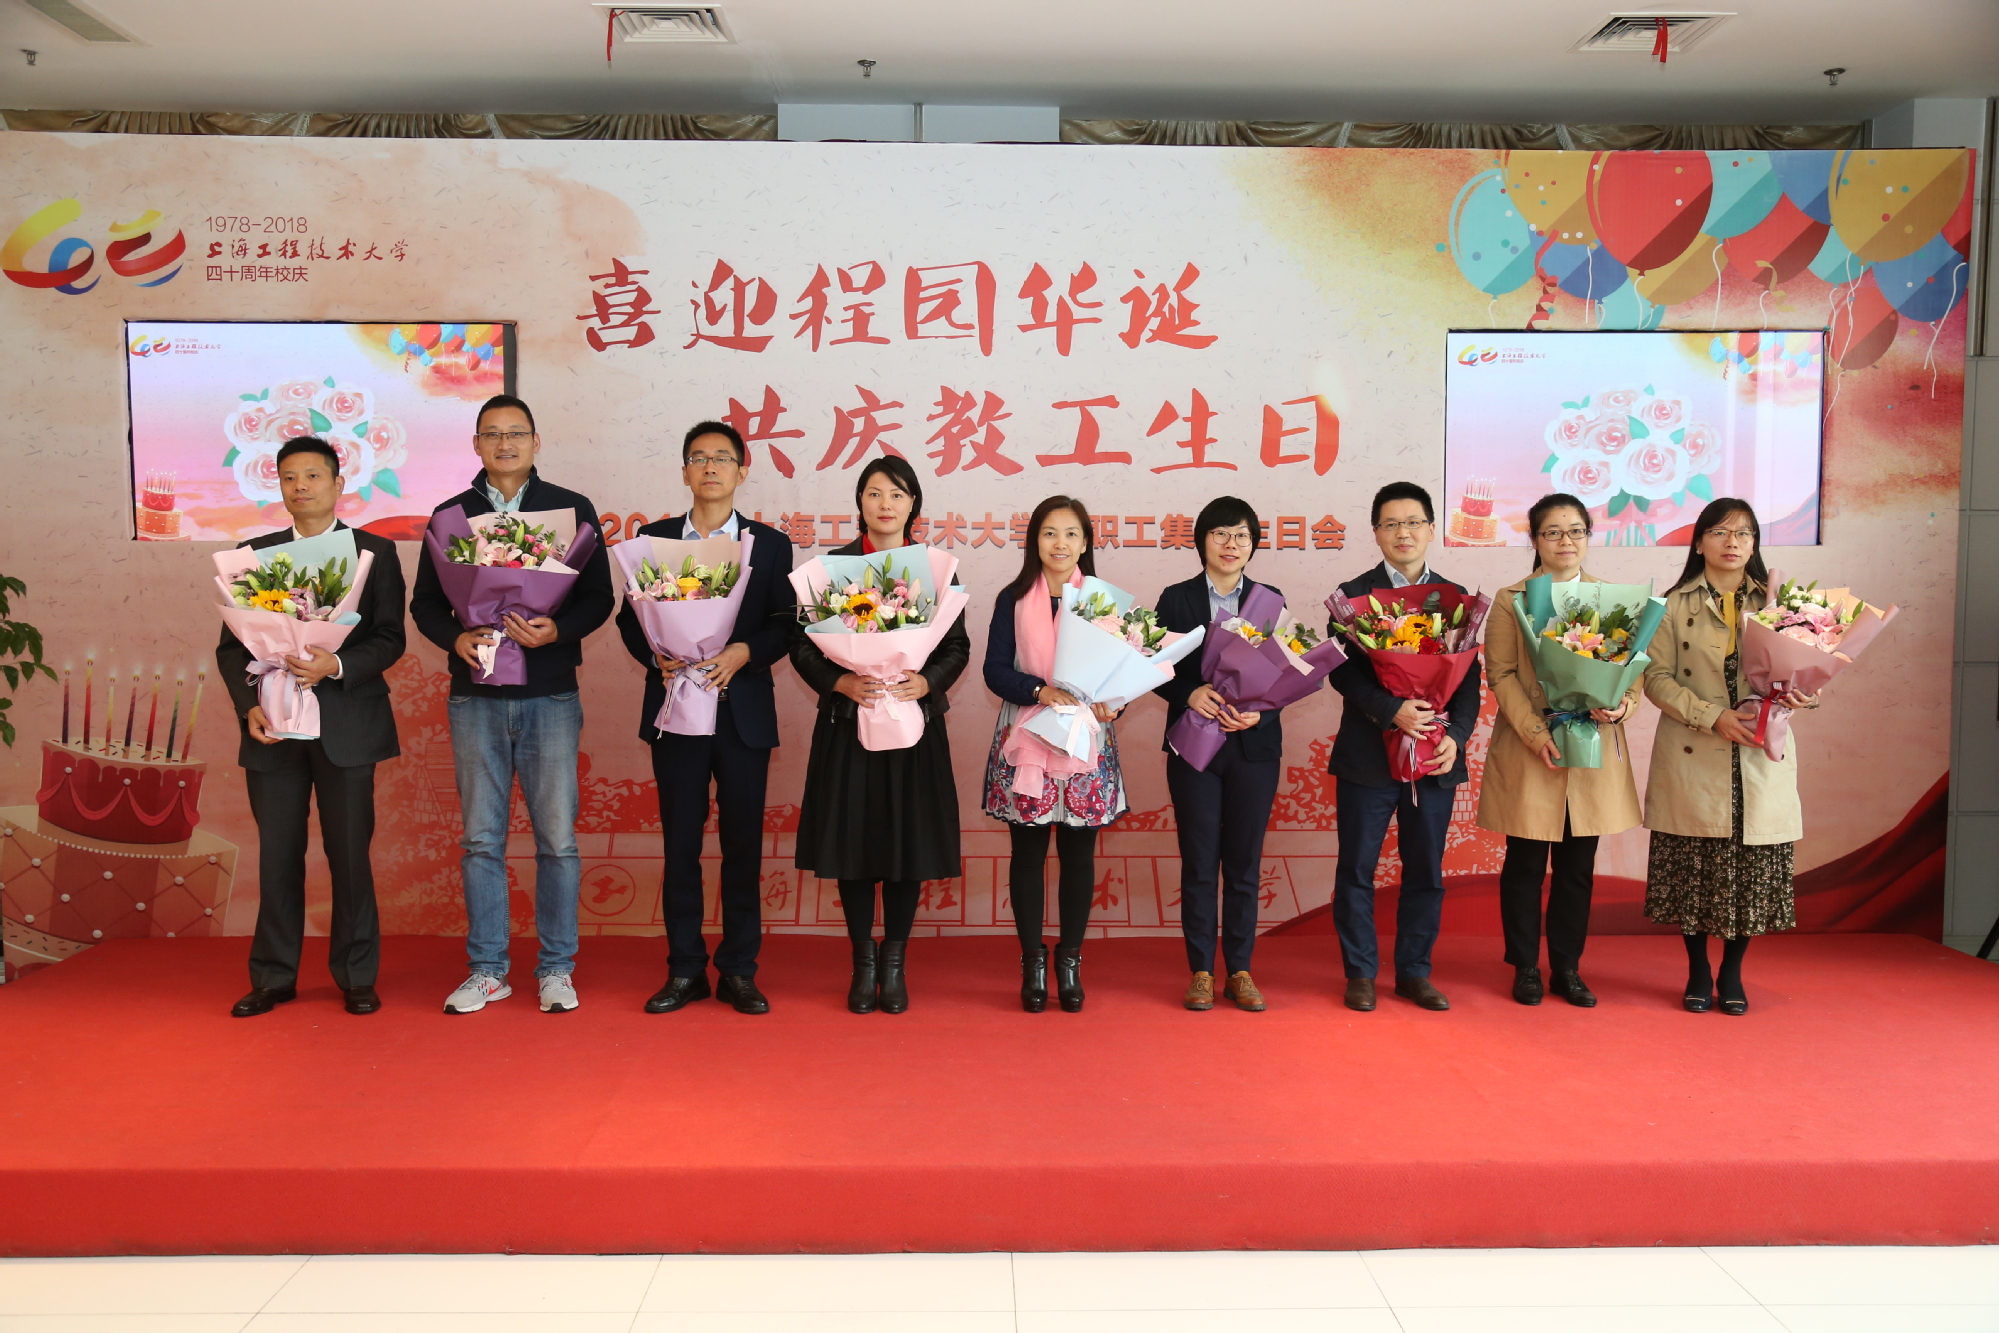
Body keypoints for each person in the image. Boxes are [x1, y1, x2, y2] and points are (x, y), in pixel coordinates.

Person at [410, 394, 614, 1016]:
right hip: (476, 697)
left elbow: (598, 598)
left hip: (550, 693)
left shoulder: (571, 510)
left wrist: (558, 631)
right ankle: (488, 970)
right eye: (493, 434)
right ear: (476, 444)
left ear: (535, 441)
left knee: (557, 839)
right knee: (480, 839)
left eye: (516, 433)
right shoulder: (451, 516)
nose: (505, 444)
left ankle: (556, 968)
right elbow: (425, 604)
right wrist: (455, 638)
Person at [219, 436, 406, 1018]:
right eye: (288, 477)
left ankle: (356, 976)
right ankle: (273, 977)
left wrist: (337, 663)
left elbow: (389, 637)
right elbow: (232, 648)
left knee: (349, 856)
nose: (300, 486)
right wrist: (247, 704)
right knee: (278, 855)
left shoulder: (374, 552)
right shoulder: (254, 555)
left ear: (337, 483)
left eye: (312, 476)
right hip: (273, 727)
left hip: (347, 725)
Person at [616, 421, 795, 1016]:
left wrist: (744, 652)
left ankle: (739, 970)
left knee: (743, 847)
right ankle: (686, 969)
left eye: (722, 457)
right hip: (676, 713)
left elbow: (785, 623)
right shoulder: (655, 539)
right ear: (685, 471)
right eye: (699, 458)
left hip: (741, 715)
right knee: (681, 846)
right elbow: (629, 619)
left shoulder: (769, 545)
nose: (710, 467)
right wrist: (656, 657)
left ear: (742, 471)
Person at [790, 456, 967, 1014]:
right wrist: (839, 681)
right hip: (851, 724)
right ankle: (862, 961)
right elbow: (801, 645)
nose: (885, 503)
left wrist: (926, 681)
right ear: (860, 503)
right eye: (874, 493)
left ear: (913, 504)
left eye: (896, 494)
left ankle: (894, 962)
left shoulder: (936, 570)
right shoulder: (830, 570)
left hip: (913, 727)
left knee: (905, 842)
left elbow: (957, 646)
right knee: (855, 842)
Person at [1642, 498, 1817, 1015]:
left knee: (1750, 871)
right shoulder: (1671, 604)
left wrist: (1806, 695)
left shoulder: (1781, 603)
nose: (1733, 542)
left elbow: (1808, 669)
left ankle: (1733, 972)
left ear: (1755, 543)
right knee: (1694, 872)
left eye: (1744, 533)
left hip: (1758, 754)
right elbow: (1654, 678)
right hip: (1696, 750)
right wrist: (1710, 715)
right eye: (1720, 532)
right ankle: (1698, 970)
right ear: (1699, 542)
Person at [1476, 493, 1642, 1009]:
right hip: (1533, 748)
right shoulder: (1512, 598)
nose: (1565, 541)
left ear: (1589, 536)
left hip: (1590, 748)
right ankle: (1525, 965)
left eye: (1575, 531)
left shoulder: (1615, 598)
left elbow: (1633, 671)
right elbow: (1501, 673)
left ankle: (1567, 967)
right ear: (1534, 540)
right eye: (1552, 532)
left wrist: (1622, 707)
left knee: (1577, 868)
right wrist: (1536, 734)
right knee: (1525, 865)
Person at [1325, 482, 1482, 1013]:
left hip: (1433, 757)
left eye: (1413, 522)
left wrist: (1455, 738)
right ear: (1376, 533)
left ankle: (1415, 972)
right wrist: (1390, 710)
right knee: (1356, 869)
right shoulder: (1352, 597)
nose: (1403, 533)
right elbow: (1342, 674)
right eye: (1391, 524)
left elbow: (1468, 681)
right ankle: (1360, 973)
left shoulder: (1456, 600)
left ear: (1431, 529)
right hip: (1368, 756)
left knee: (1425, 872)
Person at [981, 495, 1126, 1013]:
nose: (1059, 543)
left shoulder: (1103, 602)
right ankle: (1032, 963)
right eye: (1049, 533)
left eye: (1070, 533)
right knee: (1028, 855)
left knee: (1079, 857)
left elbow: (1122, 673)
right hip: (1028, 737)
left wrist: (1114, 704)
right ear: (1034, 542)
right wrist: (1039, 691)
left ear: (1085, 543)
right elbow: (994, 670)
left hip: (1086, 740)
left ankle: (1070, 961)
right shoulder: (1013, 598)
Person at [1154, 497, 1280, 1013]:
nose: (1232, 544)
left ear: (1253, 545)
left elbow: (1285, 672)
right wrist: (1188, 693)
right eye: (1221, 534)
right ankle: (1202, 971)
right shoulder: (1176, 598)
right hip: (1193, 745)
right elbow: (1153, 666)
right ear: (1202, 540)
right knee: (1201, 860)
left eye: (1242, 535)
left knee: (1245, 862)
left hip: (1252, 748)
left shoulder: (1269, 600)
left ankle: (1241, 970)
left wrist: (1260, 713)